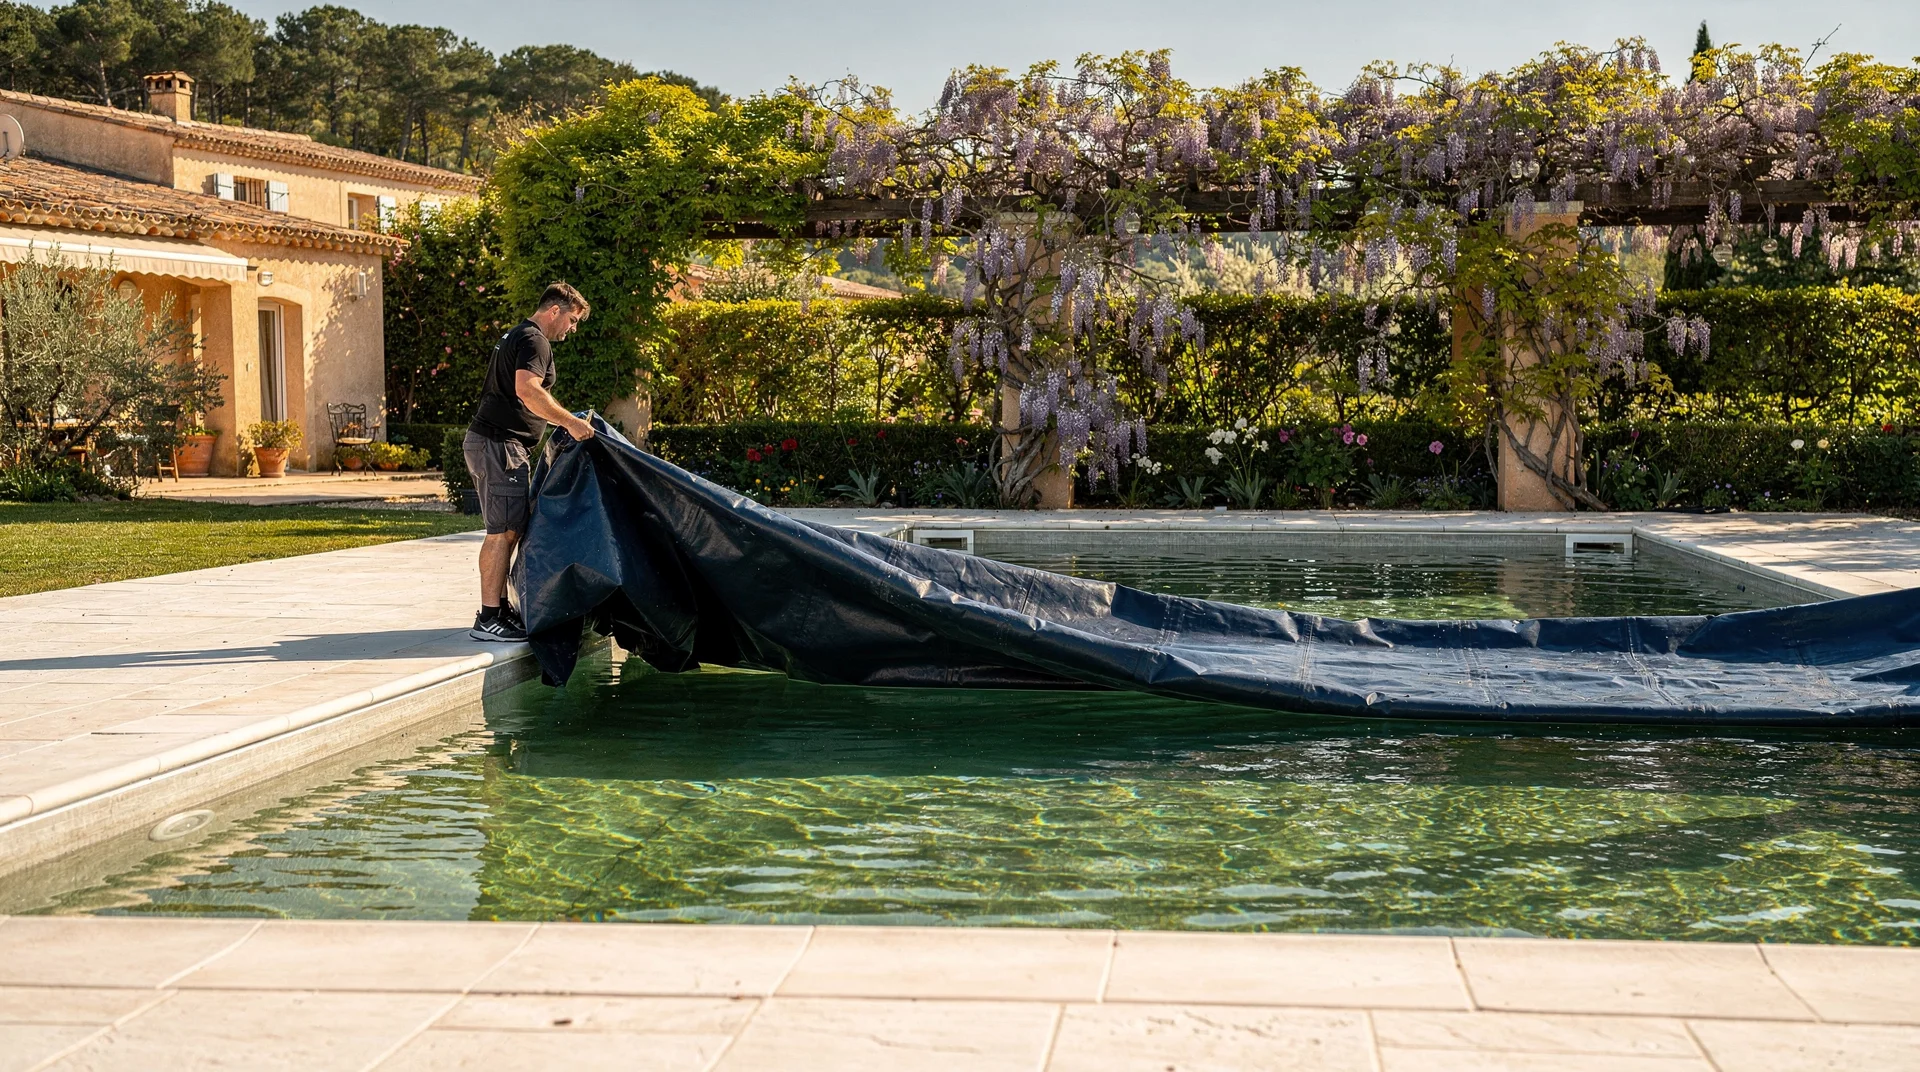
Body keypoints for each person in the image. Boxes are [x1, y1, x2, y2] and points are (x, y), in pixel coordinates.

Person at [463, 282, 595, 641]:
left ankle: (498, 608)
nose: (572, 328)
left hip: (496, 444)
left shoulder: (518, 335)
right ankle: (489, 618)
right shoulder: (535, 340)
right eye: (572, 319)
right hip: (499, 445)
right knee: (501, 532)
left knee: (509, 528)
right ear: (555, 311)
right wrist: (569, 421)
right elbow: (528, 390)